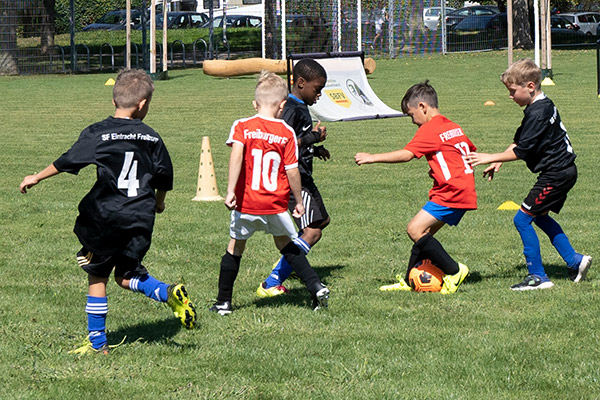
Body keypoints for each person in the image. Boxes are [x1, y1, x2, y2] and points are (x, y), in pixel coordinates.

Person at [19, 69, 197, 354]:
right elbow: (164, 175)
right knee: (125, 275)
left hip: (106, 217)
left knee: (97, 277)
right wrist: (159, 201)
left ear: (114, 98)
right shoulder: (152, 137)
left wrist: (37, 177)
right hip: (141, 216)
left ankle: (98, 343)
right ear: (141, 104)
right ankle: (166, 292)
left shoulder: (98, 132)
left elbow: (69, 160)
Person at [209, 71, 330, 316]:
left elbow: (236, 156)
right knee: (287, 247)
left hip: (247, 202)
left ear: (255, 104)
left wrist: (231, 190)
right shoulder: (285, 133)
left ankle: (224, 303)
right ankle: (316, 286)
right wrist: (298, 203)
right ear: (282, 105)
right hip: (275, 204)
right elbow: (292, 170)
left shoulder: (242, 126)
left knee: (235, 247)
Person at [466, 58, 592, 290]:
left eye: (513, 91)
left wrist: (489, 156)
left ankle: (538, 277)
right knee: (540, 216)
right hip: (563, 171)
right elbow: (519, 141)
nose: (510, 96)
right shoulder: (540, 106)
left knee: (522, 218)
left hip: (556, 174)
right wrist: (499, 161)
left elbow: (522, 151)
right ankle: (575, 261)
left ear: (530, 86)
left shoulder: (537, 114)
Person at [355, 81, 474, 294]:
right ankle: (412, 279)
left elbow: (407, 154)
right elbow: (466, 152)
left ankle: (455, 271)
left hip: (451, 191)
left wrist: (373, 157)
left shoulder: (430, 129)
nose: (413, 121)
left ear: (422, 107)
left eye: (411, 115)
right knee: (424, 234)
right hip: (463, 189)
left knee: (415, 229)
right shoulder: (453, 126)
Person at [256, 58, 331, 298]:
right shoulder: (290, 108)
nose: (319, 95)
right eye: (317, 89)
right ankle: (272, 282)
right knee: (312, 231)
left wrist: (314, 149)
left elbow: (296, 141)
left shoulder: (300, 106)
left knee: (322, 222)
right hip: (293, 179)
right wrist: (312, 139)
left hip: (304, 175)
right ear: (301, 83)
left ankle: (295, 264)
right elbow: (282, 143)